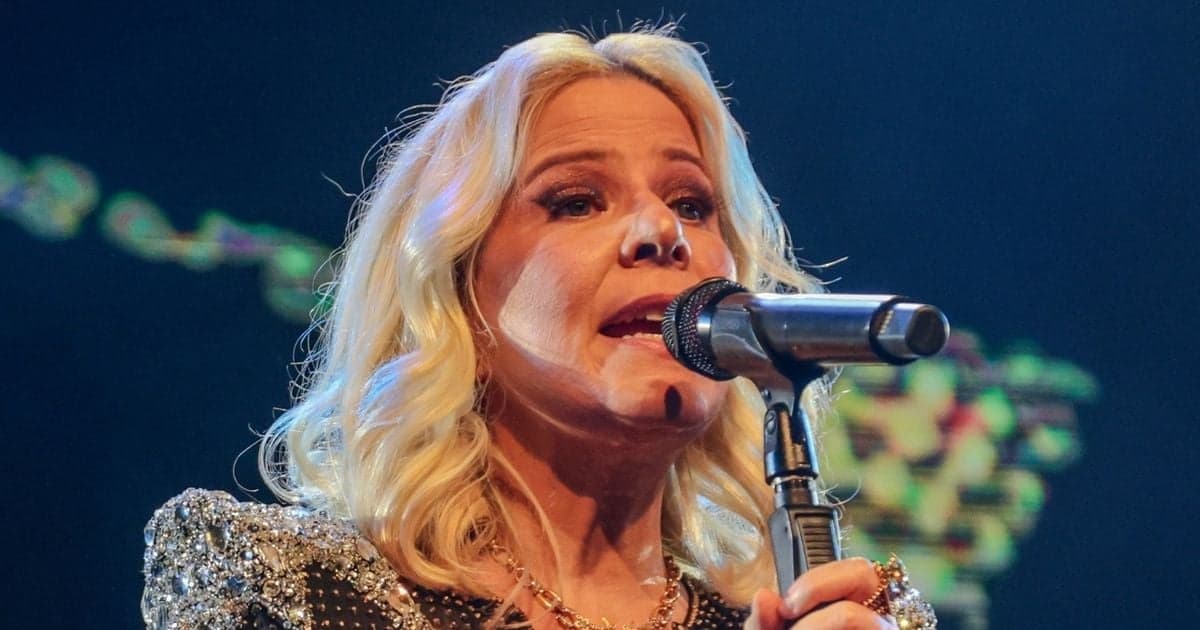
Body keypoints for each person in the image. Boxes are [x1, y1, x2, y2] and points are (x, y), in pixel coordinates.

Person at [141, 25, 935, 630]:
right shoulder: (297, 594)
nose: (662, 231)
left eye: (692, 203)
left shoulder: (831, 617)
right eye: (577, 201)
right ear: (458, 296)